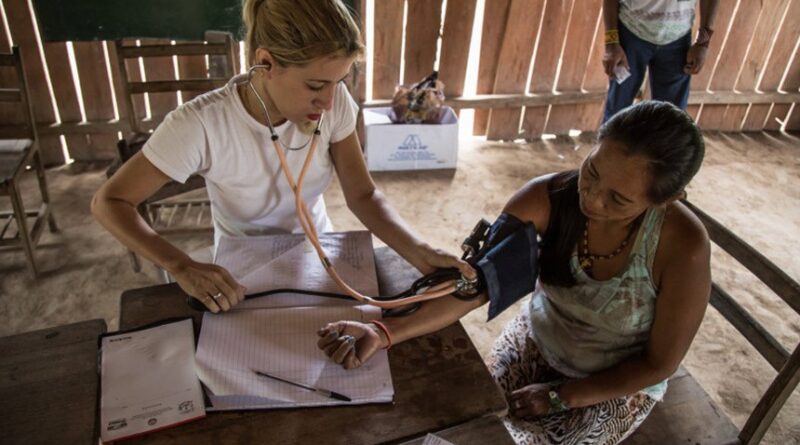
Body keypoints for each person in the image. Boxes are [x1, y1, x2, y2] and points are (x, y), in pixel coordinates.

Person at [318, 101, 711, 445]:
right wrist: (384, 332)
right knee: (467, 421)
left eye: (618, 199)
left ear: (665, 200)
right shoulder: (546, 199)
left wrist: (563, 396)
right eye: (591, 172)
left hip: (615, 383)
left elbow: (659, 364)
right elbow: (474, 287)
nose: (590, 197)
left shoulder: (683, 248)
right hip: (539, 339)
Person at [92, 0, 471, 313]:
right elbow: (109, 201)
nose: (328, 102)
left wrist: (418, 251)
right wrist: (182, 266)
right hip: (241, 262)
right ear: (266, 63)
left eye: (338, 83)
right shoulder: (201, 124)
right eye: (315, 86)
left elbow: (363, 195)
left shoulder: (334, 104)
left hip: (317, 248)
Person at [602, 0, 720, 122]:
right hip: (630, 34)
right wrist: (611, 43)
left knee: (671, 118)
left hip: (677, 40)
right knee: (617, 110)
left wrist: (703, 43)